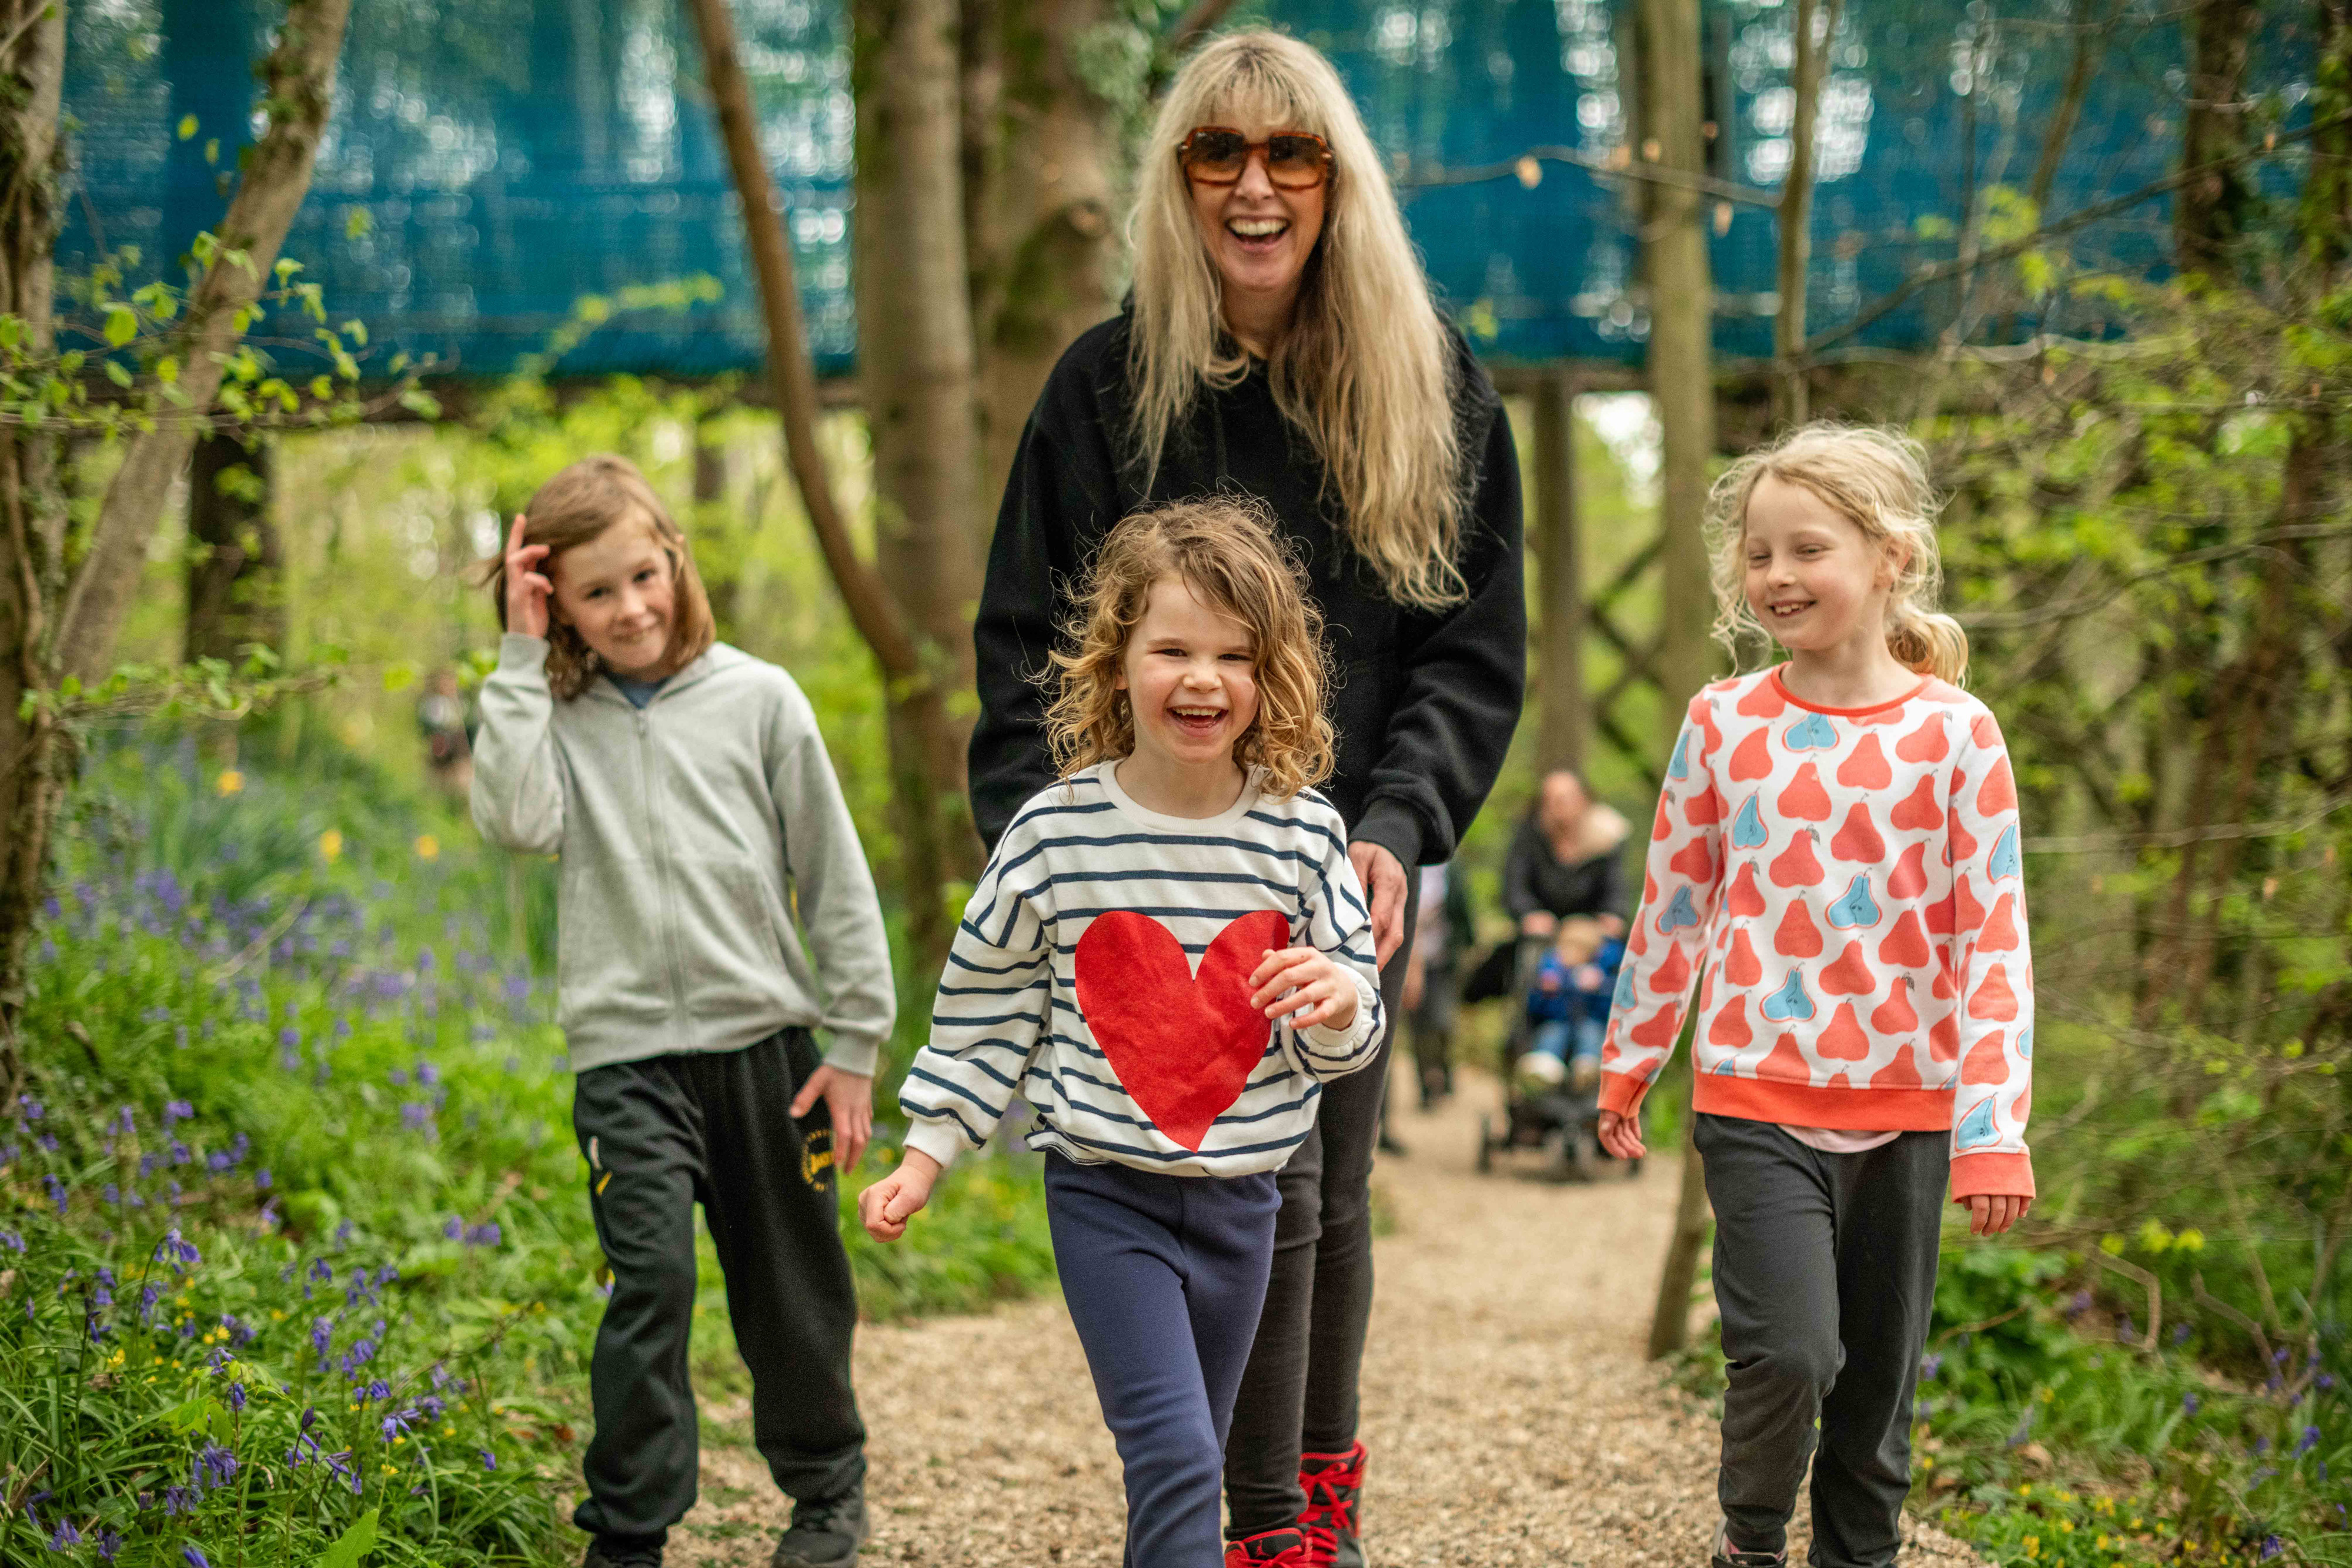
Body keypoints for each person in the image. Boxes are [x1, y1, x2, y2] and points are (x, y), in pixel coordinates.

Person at [964, 32, 1526, 1566]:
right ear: (1180, 178)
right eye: (1221, 153)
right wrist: (1055, 854)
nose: (1257, 186)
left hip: (1332, 855)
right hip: (1131, 861)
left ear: (1339, 184)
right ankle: (1189, 1488)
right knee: (1150, 1182)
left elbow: (1472, 654)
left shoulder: (1439, 383)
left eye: (1294, 157)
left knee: (1318, 1188)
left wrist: (1399, 827)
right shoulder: (1103, 389)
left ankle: (1294, 1508)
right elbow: (1024, 649)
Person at [861, 501, 1384, 1568]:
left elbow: (1352, 1029)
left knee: (1189, 1455)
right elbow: (987, 1002)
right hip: (1108, 1195)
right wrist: (926, 1152)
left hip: (1247, 1199)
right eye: (1174, 650)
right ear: (1118, 664)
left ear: (1270, 674)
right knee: (1180, 1457)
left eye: (1235, 655)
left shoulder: (1304, 833)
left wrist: (1336, 1000)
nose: (1203, 679)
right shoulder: (1055, 832)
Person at [1596, 424, 2036, 1568]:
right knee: (1789, 1353)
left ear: (1889, 556)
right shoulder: (1721, 722)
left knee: (1876, 1392)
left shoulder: (1956, 735)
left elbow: (1991, 941)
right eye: (1757, 553)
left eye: (1806, 549)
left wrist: (1993, 1130)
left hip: (1913, 1113)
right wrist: (1628, 1059)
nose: (1775, 576)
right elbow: (1673, 905)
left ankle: (1857, 1553)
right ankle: (1747, 1541)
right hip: (1753, 1097)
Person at [470, 455, 894, 1568]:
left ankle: (826, 1493)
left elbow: (834, 877)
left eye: (643, 576)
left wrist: (854, 1044)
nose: (630, 609)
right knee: (648, 1284)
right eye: (594, 593)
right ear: (555, 600)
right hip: (629, 1065)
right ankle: (630, 1527)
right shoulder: (552, 712)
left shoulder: (761, 698)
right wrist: (519, 654)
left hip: (772, 1056)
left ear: (676, 559)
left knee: (792, 1291)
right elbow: (514, 821)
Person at [1502, 769, 1630, 940]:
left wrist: (1613, 914)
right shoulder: (1529, 836)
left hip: (1590, 932)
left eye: (1567, 798)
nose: (1561, 806)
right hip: (1543, 931)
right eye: (1553, 800)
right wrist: (1528, 913)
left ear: (1584, 800)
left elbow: (1616, 888)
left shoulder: (1606, 838)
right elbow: (1515, 887)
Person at [1519, 914, 1622, 1094]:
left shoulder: (1600, 974)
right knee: (1553, 1032)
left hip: (1589, 1022)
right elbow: (1534, 1008)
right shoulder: (1552, 970)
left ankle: (1587, 1067)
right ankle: (1544, 1067)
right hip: (1558, 1021)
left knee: (1590, 1033)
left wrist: (1600, 987)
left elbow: (1610, 1010)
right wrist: (1547, 992)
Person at [1400, 865, 1474, 1108]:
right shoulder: (1407, 865)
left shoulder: (1452, 870)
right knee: (1418, 1028)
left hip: (1442, 961)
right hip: (1409, 961)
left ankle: (1444, 1071)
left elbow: (1462, 911)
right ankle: (1426, 1086)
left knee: (1442, 1022)